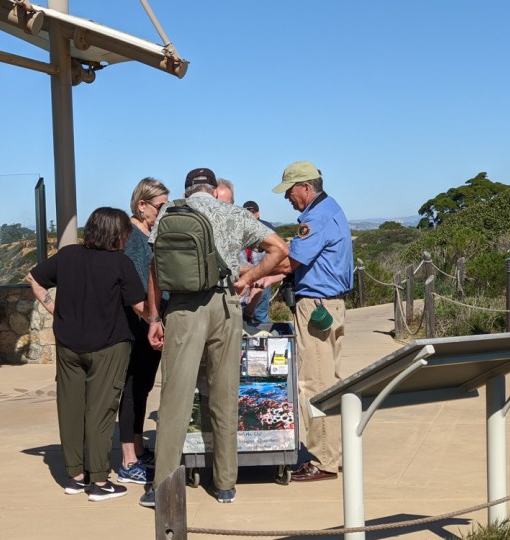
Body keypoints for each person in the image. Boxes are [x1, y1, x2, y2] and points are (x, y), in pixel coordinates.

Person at [139, 167, 289, 507]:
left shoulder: (168, 213)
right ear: (213, 188)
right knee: (224, 394)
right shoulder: (233, 213)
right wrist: (249, 275)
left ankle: (163, 484)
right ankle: (225, 483)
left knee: (176, 397)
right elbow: (278, 249)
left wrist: (154, 317)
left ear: (188, 189)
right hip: (225, 305)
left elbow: (154, 268)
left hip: (182, 309)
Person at [26, 207, 148, 502]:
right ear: (117, 233)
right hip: (108, 347)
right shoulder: (120, 263)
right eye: (125, 232)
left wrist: (54, 309)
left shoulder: (68, 256)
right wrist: (160, 323)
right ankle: (99, 481)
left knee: (70, 409)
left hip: (69, 346)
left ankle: (75, 476)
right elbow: (139, 306)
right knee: (100, 411)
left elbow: (34, 277)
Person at [270, 160, 353, 482]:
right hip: (330, 305)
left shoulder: (316, 217)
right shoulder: (330, 209)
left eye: (289, 191)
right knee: (329, 380)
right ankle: (334, 452)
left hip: (316, 306)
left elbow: (291, 262)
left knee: (314, 385)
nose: (287, 198)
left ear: (305, 187)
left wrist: (252, 276)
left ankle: (323, 460)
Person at [117, 178, 170, 485]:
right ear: (142, 205)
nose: (162, 212)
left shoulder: (152, 233)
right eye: (160, 206)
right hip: (136, 324)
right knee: (131, 389)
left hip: (152, 321)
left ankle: (137, 447)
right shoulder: (129, 236)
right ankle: (129, 459)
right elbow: (132, 285)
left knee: (143, 388)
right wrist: (151, 317)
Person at [240, 201, 275, 326]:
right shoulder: (238, 231)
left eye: (252, 212)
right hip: (243, 280)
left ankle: (262, 341)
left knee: (260, 317)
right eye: (246, 212)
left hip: (262, 280)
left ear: (258, 214)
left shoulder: (267, 231)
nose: (250, 215)